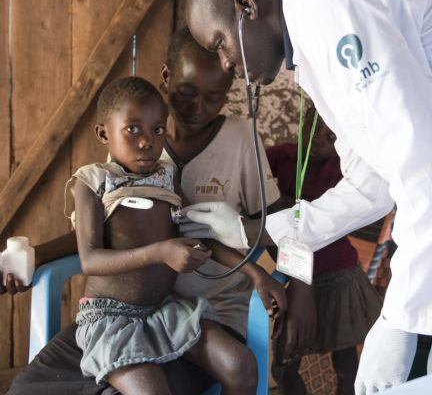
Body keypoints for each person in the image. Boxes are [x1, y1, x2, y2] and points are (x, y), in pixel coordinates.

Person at [181, 0, 432, 394]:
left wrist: (397, 322)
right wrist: (252, 230)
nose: (228, 65)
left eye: (219, 43)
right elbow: (372, 184)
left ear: (245, 6)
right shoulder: (312, 52)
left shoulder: (338, 9)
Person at [7, 29, 284, 395]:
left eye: (156, 131)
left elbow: (197, 233)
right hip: (111, 318)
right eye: (134, 130)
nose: (146, 142)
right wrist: (36, 256)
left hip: (168, 310)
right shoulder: (95, 180)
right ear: (105, 135)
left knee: (240, 364)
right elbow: (90, 254)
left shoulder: (166, 177)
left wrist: (257, 275)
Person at [266, 105, 382, 395]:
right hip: (295, 275)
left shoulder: (343, 171)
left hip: (336, 277)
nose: (318, 139)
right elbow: (253, 171)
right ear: (302, 122)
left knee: (345, 361)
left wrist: (283, 207)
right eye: (312, 128)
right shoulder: (283, 155)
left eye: (330, 136)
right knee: (284, 363)